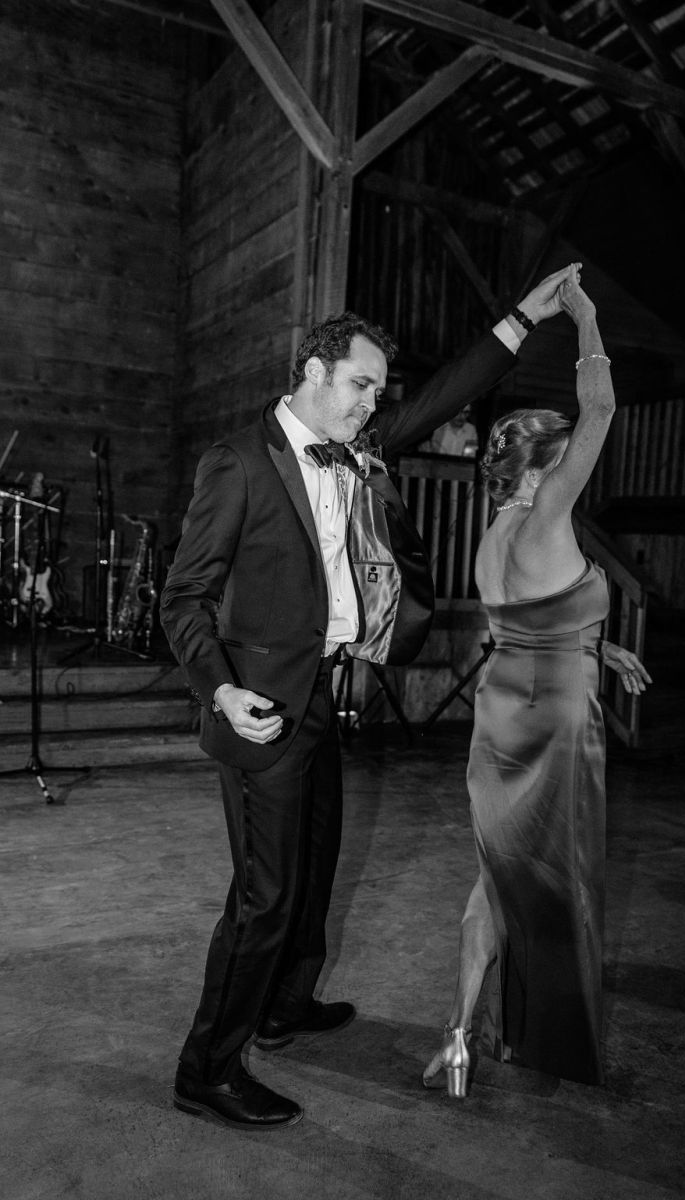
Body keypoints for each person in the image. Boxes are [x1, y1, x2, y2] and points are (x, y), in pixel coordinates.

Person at [159, 263, 579, 1131]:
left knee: (314, 870)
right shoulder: (238, 463)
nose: (370, 403)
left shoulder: (358, 445)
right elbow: (183, 598)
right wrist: (222, 690)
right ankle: (207, 1070)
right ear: (313, 371)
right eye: (359, 385)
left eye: (377, 391)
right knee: (266, 896)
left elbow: (446, 394)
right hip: (258, 708)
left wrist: (521, 319)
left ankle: (284, 1006)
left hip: (322, 691)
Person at [422, 265, 651, 1098]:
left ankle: (457, 1037)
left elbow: (528, 626)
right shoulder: (550, 512)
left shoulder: (495, 537)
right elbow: (602, 410)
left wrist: (599, 649)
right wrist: (583, 316)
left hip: (500, 717)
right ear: (540, 470)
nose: (572, 472)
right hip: (553, 722)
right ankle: (545, 1034)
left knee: (495, 877)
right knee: (556, 879)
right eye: (561, 462)